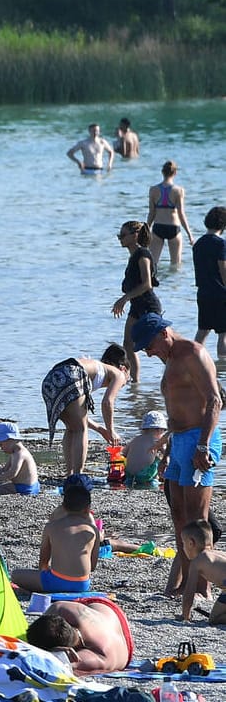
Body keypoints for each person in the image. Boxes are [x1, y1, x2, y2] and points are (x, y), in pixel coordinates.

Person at [132, 314, 221, 600]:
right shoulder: (169, 358)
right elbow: (175, 408)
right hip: (179, 440)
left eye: (149, 345)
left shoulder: (194, 353)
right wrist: (168, 449)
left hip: (199, 439)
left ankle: (203, 586)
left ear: (164, 333)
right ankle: (187, 584)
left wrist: (203, 445)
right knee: (179, 518)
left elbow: (215, 400)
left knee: (198, 519)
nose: (148, 352)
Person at [40, 347, 128, 476]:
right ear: (124, 369)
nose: (124, 383)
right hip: (71, 374)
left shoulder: (95, 368)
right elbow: (107, 402)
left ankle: (70, 474)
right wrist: (111, 430)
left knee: (71, 427)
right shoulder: (119, 373)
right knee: (80, 430)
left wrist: (100, 429)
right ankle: (78, 474)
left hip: (52, 378)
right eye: (128, 379)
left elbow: (79, 415)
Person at [10, 480, 98, 595]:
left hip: (56, 582)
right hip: (82, 584)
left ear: (63, 507)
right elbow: (92, 566)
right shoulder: (92, 530)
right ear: (88, 508)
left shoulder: (51, 527)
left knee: (15, 575)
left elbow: (43, 562)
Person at [26, 596, 135, 675]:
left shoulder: (98, 657)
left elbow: (58, 664)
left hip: (122, 647)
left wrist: (54, 654)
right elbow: (56, 607)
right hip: (107, 610)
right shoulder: (60, 609)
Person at [113, 220, 160, 382]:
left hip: (148, 306)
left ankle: (177, 372)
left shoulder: (143, 255)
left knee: (156, 346)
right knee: (128, 345)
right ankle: (135, 383)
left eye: (123, 235)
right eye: (119, 235)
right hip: (136, 307)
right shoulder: (133, 256)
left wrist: (124, 298)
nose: (120, 238)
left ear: (135, 235)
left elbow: (147, 284)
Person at [147, 160, 194, 270]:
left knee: (153, 264)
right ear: (175, 173)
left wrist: (146, 228)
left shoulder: (153, 190)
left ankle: (154, 284)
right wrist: (189, 234)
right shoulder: (179, 191)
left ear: (162, 172)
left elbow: (151, 213)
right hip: (173, 227)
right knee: (175, 265)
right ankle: (172, 286)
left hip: (158, 227)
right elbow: (181, 214)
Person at [178, 520, 226, 622]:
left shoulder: (197, 562)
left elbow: (189, 592)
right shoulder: (218, 554)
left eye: (183, 543)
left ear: (190, 543)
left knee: (214, 619)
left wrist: (185, 616)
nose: (183, 547)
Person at [195, 206, 226, 358]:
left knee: (202, 332)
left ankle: (193, 361)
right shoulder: (220, 244)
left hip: (203, 292)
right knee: (223, 333)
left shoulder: (198, 244)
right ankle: (223, 366)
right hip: (220, 293)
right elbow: (223, 270)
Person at [0, 423, 40, 495]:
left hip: (26, 488)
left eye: (1, 445)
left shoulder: (20, 453)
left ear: (11, 439)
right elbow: (5, 469)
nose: (1, 448)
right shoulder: (14, 453)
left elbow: (12, 473)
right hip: (25, 485)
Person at [124, 411, 169, 490]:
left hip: (129, 473)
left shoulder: (135, 439)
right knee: (159, 460)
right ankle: (154, 481)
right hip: (146, 474)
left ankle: (129, 481)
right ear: (159, 430)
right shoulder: (157, 442)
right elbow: (167, 454)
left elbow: (124, 453)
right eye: (163, 431)